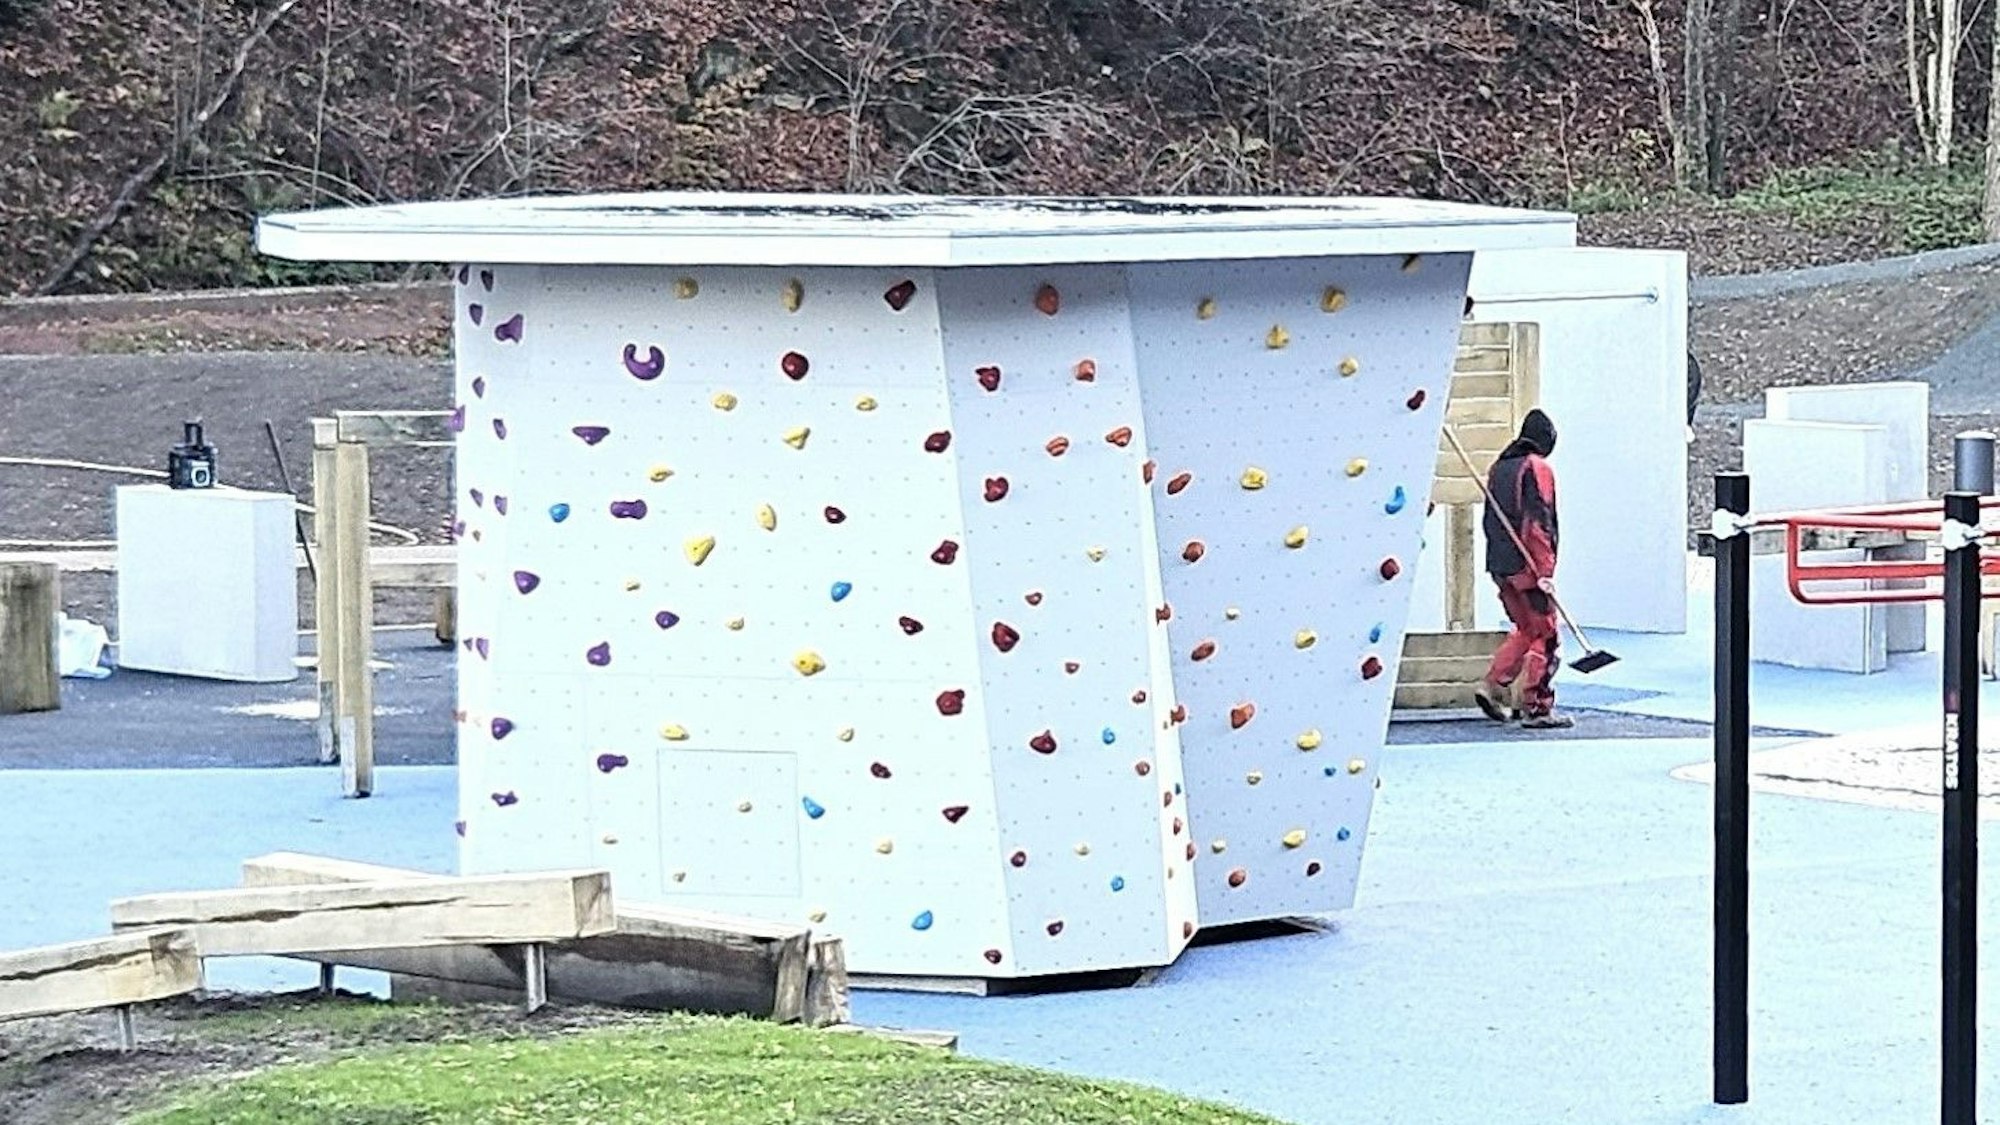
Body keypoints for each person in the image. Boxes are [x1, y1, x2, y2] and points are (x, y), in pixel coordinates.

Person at [1474, 408, 1574, 729]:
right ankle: (1537, 707)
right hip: (1528, 567)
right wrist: (1545, 571)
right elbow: (1538, 522)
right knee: (1546, 636)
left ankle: (1492, 685)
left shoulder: (1500, 468)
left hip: (1501, 566)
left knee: (1526, 630)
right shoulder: (1537, 468)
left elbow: (1492, 521)